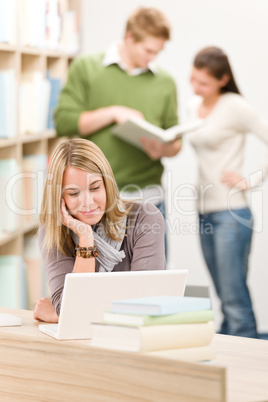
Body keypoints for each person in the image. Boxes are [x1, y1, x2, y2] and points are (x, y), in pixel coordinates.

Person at [54, 7, 182, 256]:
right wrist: (113, 113)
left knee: (153, 283)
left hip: (149, 199)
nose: (153, 57)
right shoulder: (87, 67)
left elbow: (176, 141)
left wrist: (165, 148)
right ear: (130, 38)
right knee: (97, 279)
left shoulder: (165, 82)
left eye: (158, 52)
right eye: (148, 50)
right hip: (95, 202)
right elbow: (64, 121)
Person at [33, 138, 166, 323]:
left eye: (95, 187)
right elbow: (72, 311)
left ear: (107, 185)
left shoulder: (146, 218)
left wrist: (59, 315)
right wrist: (86, 238)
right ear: (59, 197)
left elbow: (145, 306)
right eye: (73, 193)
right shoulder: (52, 233)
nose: (87, 202)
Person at [187, 46, 268, 338]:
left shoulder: (234, 105)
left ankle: (246, 370)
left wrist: (251, 180)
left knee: (234, 298)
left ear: (222, 80)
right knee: (223, 294)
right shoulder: (192, 106)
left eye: (203, 83)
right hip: (203, 210)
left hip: (231, 212)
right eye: (193, 79)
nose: (196, 87)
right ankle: (226, 357)